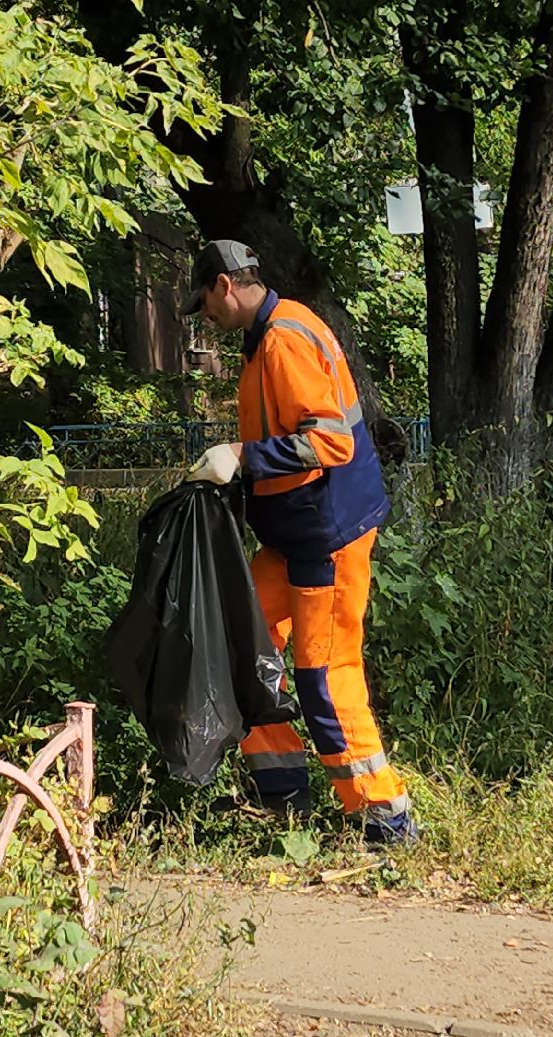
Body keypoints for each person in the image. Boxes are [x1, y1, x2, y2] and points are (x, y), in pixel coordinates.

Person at [180, 239, 419, 846]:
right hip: (292, 536)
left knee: (325, 671)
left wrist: (240, 456)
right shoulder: (268, 337)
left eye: (204, 302)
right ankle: (281, 793)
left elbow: (329, 444)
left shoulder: (285, 339)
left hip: (326, 538)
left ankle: (383, 816)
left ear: (225, 286)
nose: (204, 315)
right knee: (247, 647)